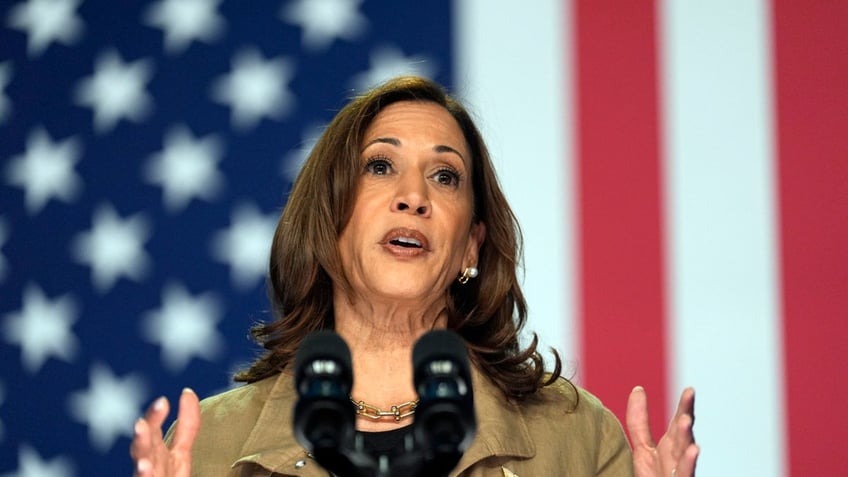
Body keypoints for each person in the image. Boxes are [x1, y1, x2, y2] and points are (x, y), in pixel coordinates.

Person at [130, 76, 699, 476]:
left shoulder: (575, 438)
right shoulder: (209, 447)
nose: (413, 197)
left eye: (445, 176)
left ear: (470, 245)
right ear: (328, 223)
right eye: (381, 166)